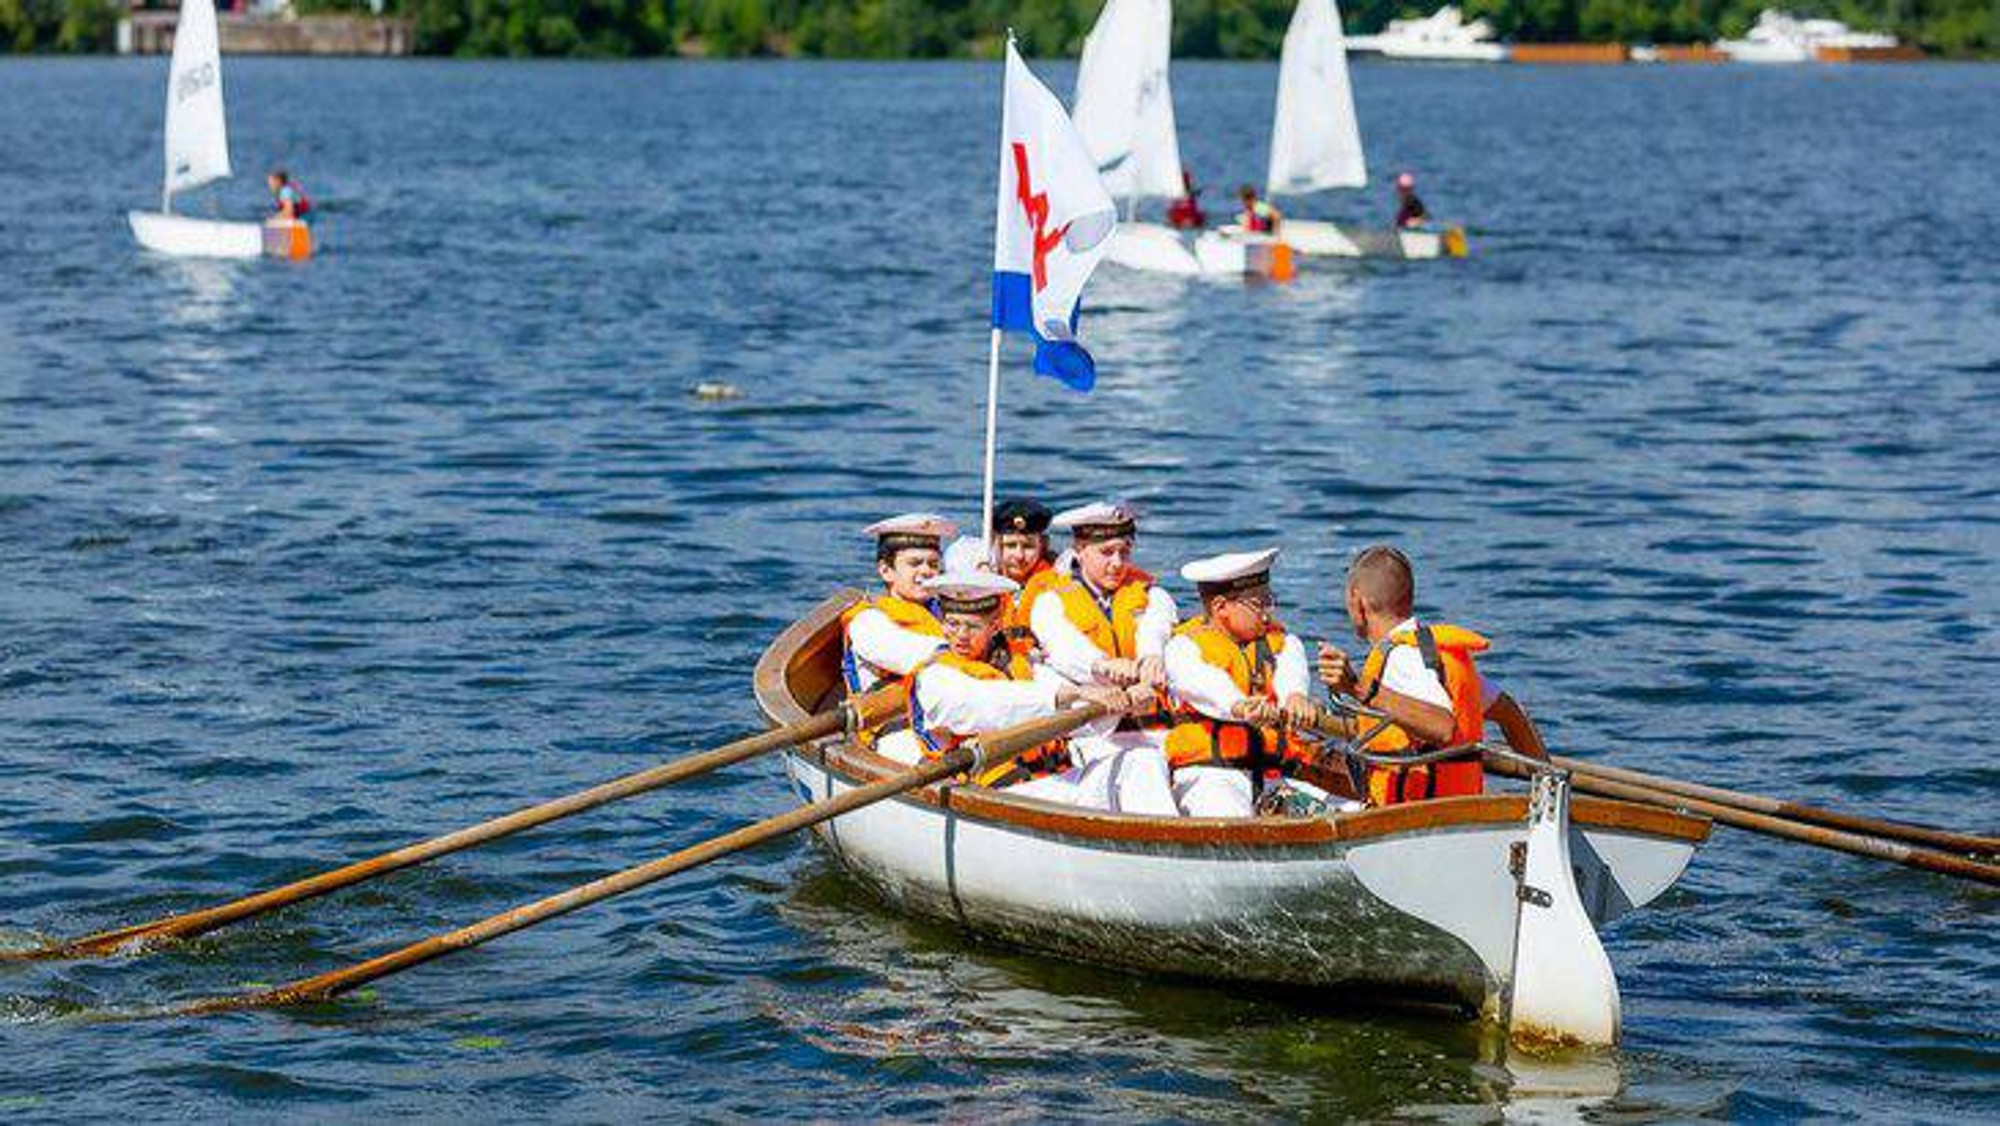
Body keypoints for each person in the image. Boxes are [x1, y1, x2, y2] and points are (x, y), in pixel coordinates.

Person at [880, 572, 1148, 806]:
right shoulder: (935, 678)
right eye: (952, 623)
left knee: (1142, 760)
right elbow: (990, 704)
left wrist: (1120, 703)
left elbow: (1079, 719)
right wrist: (1075, 693)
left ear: (994, 626)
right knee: (1094, 794)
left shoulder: (1021, 664)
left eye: (972, 626)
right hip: (993, 791)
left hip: (1051, 776)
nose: (960, 634)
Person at [1025, 500, 1182, 815]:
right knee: (1144, 765)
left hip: (1156, 731)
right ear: (1080, 549)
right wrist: (1103, 666)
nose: (1117, 563)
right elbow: (1065, 647)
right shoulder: (1050, 602)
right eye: (1106, 552)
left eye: (1124, 552)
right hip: (1092, 736)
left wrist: (1151, 659)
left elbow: (1156, 629)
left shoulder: (1153, 597)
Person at [1316, 544, 1493, 805]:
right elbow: (1511, 713)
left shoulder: (1400, 658)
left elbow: (1442, 727)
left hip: (1419, 823)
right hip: (1460, 811)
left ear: (1357, 601)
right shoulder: (1439, 654)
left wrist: (1358, 688)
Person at [1162, 549, 1319, 817]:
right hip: (1210, 775)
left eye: (1270, 600)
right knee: (1228, 813)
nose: (1268, 613)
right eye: (1259, 603)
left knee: (1342, 810)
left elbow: (1292, 673)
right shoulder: (1182, 648)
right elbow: (1204, 684)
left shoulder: (1283, 643)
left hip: (1275, 775)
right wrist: (1238, 705)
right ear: (1221, 607)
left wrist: (1295, 697)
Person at [840, 513, 953, 699]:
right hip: (895, 726)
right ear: (886, 571)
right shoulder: (867, 621)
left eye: (933, 564)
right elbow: (914, 656)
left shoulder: (946, 611)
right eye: (914, 563)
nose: (926, 571)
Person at [990, 498, 1057, 654]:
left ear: (1043, 545)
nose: (1019, 555)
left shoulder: (1057, 584)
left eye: (1028, 546)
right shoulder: (985, 583)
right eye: (1010, 545)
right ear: (995, 544)